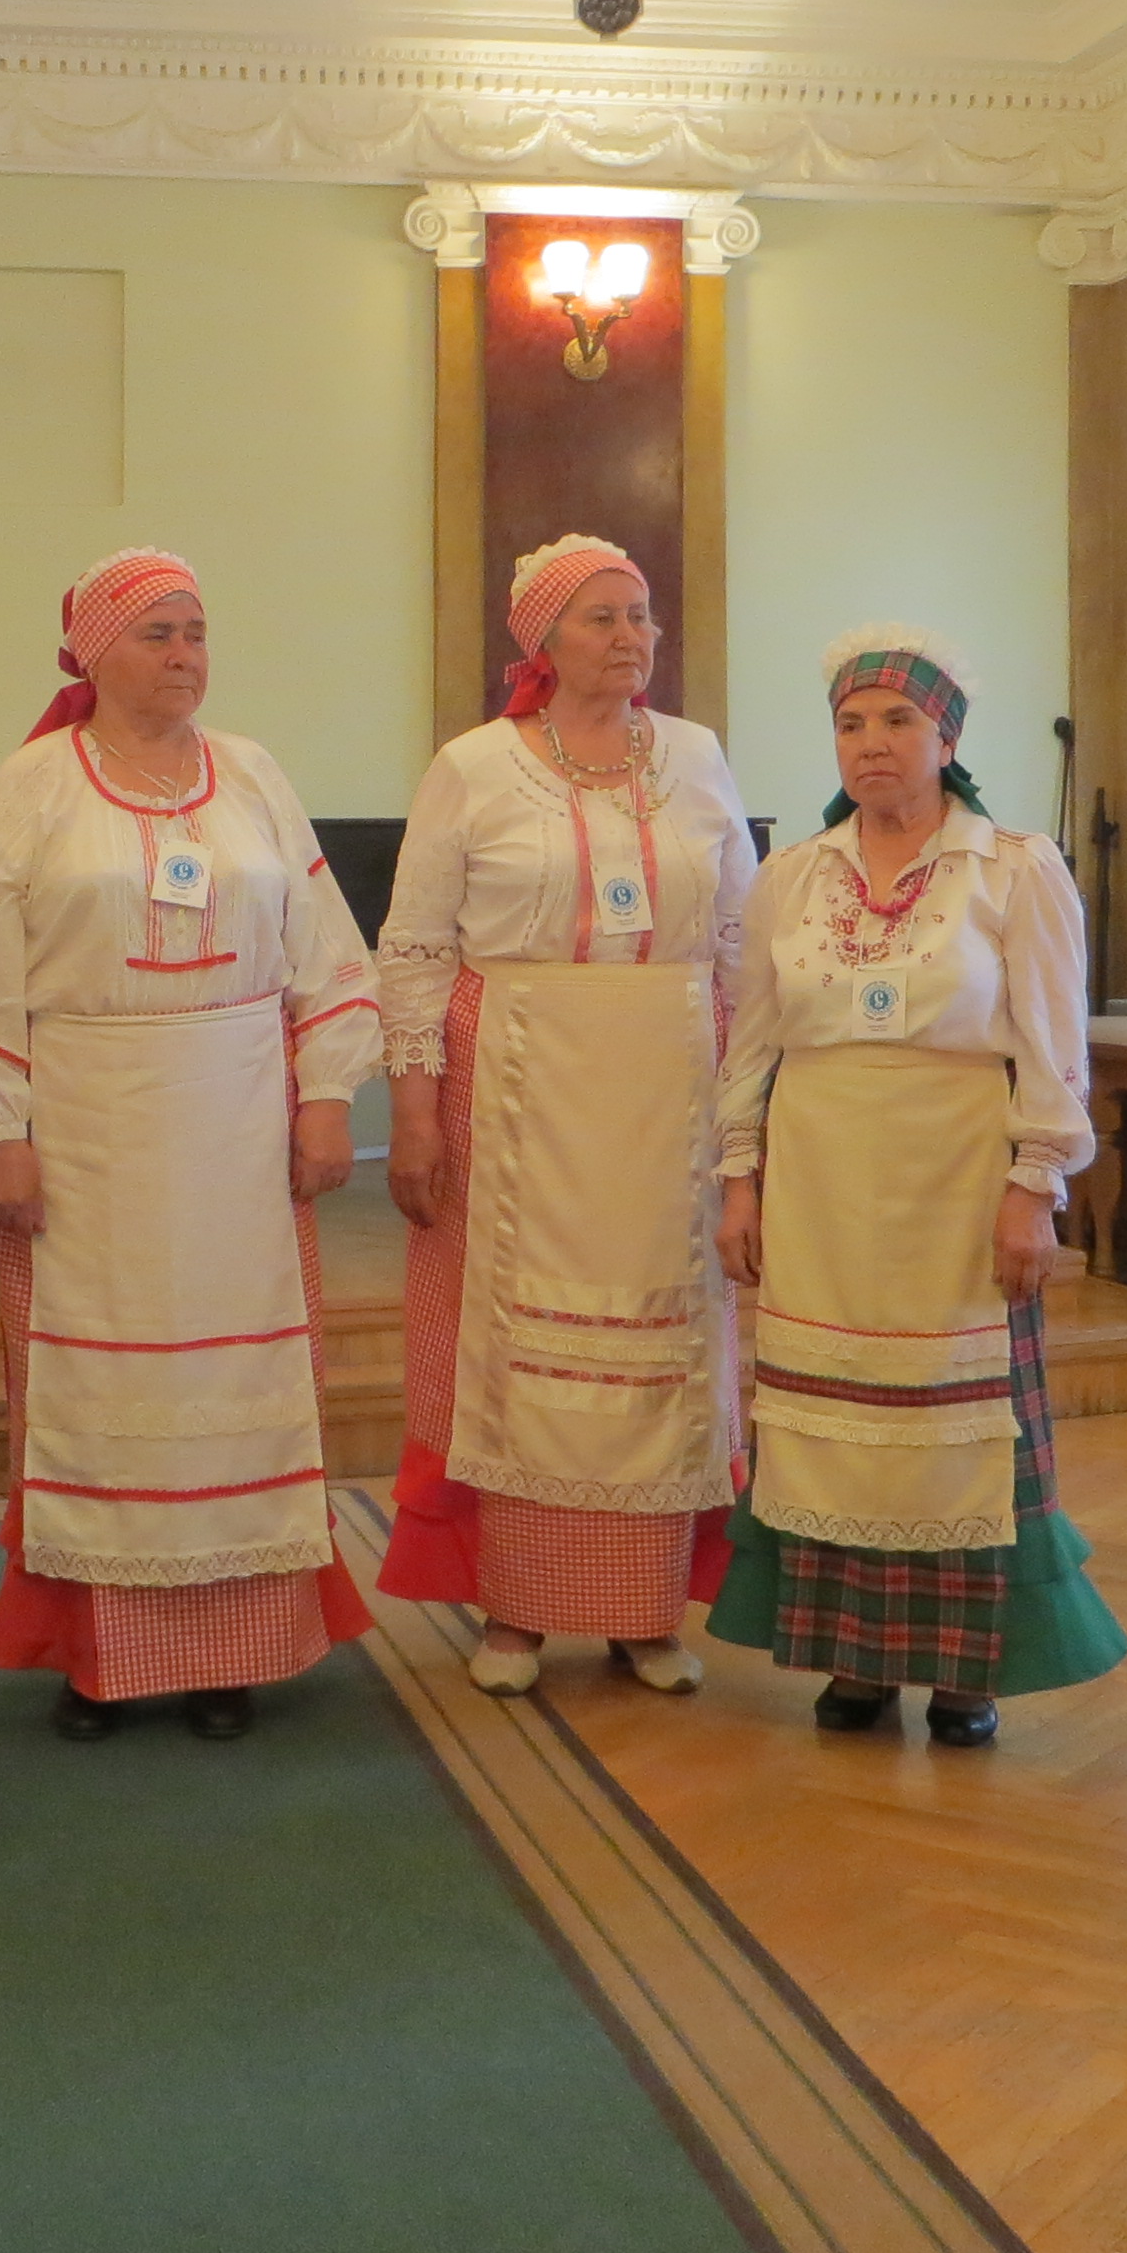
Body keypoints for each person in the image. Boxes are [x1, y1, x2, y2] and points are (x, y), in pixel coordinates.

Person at [0, 549, 379, 1741]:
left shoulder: (251, 774)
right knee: (98, 1388)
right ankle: (100, 1656)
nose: (185, 655)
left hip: (238, 1127)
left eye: (196, 632)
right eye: (157, 634)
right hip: (89, 1132)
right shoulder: (35, 784)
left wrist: (327, 1094)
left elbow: (324, 945)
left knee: (234, 1387)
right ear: (93, 654)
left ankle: (231, 1651)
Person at [704, 628, 1127, 1742]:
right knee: (830, 1424)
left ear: (947, 738)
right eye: (851, 725)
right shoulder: (793, 876)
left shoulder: (1013, 868)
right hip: (822, 1188)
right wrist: (740, 1179)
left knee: (960, 1431)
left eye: (899, 721)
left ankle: (962, 1671)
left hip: (954, 1184)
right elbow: (753, 1044)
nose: (872, 744)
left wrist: (1034, 1187)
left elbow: (1053, 1047)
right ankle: (852, 1656)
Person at [373, 535, 757, 1697]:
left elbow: (739, 942)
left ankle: (645, 1611)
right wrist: (415, 1109)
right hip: (518, 1093)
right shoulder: (474, 767)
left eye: (640, 615)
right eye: (602, 617)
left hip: (671, 1095)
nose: (631, 637)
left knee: (660, 1349)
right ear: (541, 641)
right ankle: (519, 1611)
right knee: (521, 1358)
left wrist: (753, 1115)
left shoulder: (695, 756)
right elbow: (416, 948)